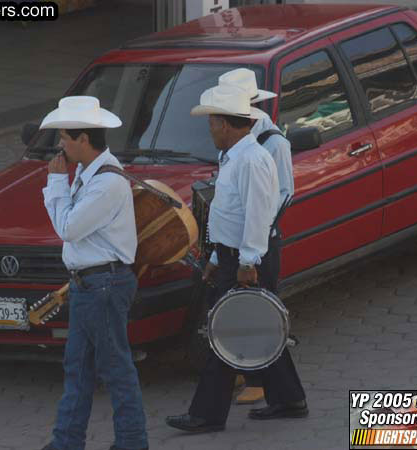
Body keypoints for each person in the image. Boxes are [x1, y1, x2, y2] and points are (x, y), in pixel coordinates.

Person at [165, 80, 307, 434]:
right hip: (231, 257)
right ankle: (289, 398)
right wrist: (216, 256)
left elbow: (259, 216)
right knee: (256, 327)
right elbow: (229, 214)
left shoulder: (253, 160)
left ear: (226, 124)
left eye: (212, 122)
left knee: (224, 333)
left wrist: (246, 262)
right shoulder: (235, 156)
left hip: (245, 261)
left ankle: (207, 415)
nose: (209, 129)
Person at [39, 96, 149, 450]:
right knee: (78, 371)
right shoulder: (90, 173)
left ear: (83, 139)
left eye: (64, 137)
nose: (60, 145)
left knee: (116, 370)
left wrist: (55, 184)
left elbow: (69, 228)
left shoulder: (106, 182)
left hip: (103, 286)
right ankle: (66, 442)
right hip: (91, 285)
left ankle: (132, 443)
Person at [217, 68, 295, 405]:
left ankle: (262, 381)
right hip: (236, 243)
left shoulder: (272, 143)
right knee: (238, 311)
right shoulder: (235, 142)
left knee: (259, 313)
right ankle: (250, 371)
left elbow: (281, 194)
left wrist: (254, 247)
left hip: (258, 245)